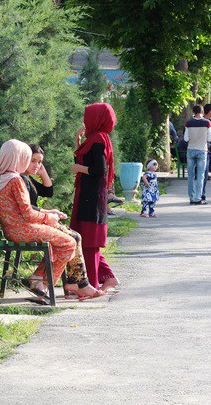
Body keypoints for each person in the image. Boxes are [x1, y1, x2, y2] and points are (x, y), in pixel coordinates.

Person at [0, 140, 78, 300]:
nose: (27, 162)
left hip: (11, 230)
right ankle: (43, 285)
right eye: (26, 158)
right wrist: (48, 217)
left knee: (61, 242)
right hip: (23, 230)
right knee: (69, 243)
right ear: (18, 158)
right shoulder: (15, 180)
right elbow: (28, 214)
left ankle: (39, 279)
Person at [21, 144, 102, 299]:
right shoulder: (21, 179)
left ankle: (76, 283)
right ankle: (78, 284)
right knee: (74, 238)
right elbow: (26, 207)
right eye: (33, 161)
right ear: (24, 158)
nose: (36, 165)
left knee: (74, 237)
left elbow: (48, 192)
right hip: (34, 223)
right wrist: (47, 212)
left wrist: (42, 171)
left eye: (40, 162)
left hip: (38, 221)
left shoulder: (27, 178)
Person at [71, 102, 120, 292]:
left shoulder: (98, 139)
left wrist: (79, 169)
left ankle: (91, 285)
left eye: (88, 117)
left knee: (89, 240)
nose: (85, 121)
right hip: (89, 194)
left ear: (97, 119)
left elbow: (99, 170)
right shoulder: (95, 138)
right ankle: (109, 278)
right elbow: (83, 158)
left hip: (91, 196)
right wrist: (78, 141)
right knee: (86, 238)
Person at [184, 104, 211, 204]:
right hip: (202, 150)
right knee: (201, 175)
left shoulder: (188, 123)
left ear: (193, 112)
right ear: (202, 112)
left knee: (191, 176)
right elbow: (210, 138)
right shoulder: (207, 123)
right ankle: (198, 198)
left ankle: (191, 198)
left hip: (191, 149)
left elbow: (186, 139)